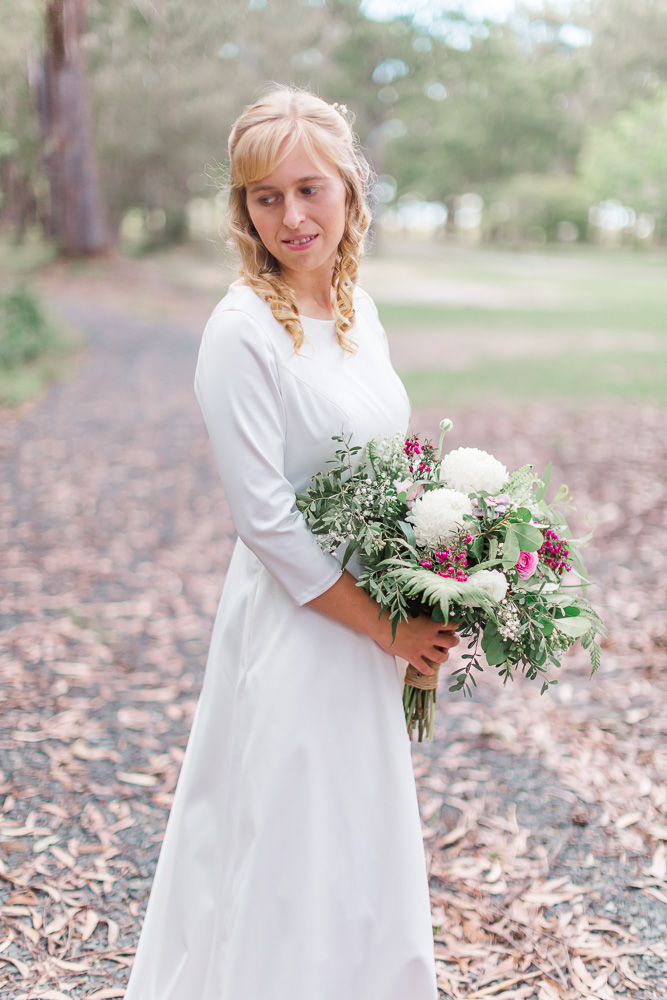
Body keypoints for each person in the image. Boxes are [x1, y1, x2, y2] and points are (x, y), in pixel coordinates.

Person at [123, 86, 458, 1000]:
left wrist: (433, 582)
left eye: (309, 189)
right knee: (287, 842)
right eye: (265, 197)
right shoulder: (240, 332)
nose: (291, 217)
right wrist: (385, 629)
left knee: (356, 835)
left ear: (349, 188)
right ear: (244, 208)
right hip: (298, 624)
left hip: (371, 618)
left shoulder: (358, 310)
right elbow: (265, 518)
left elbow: (389, 463)